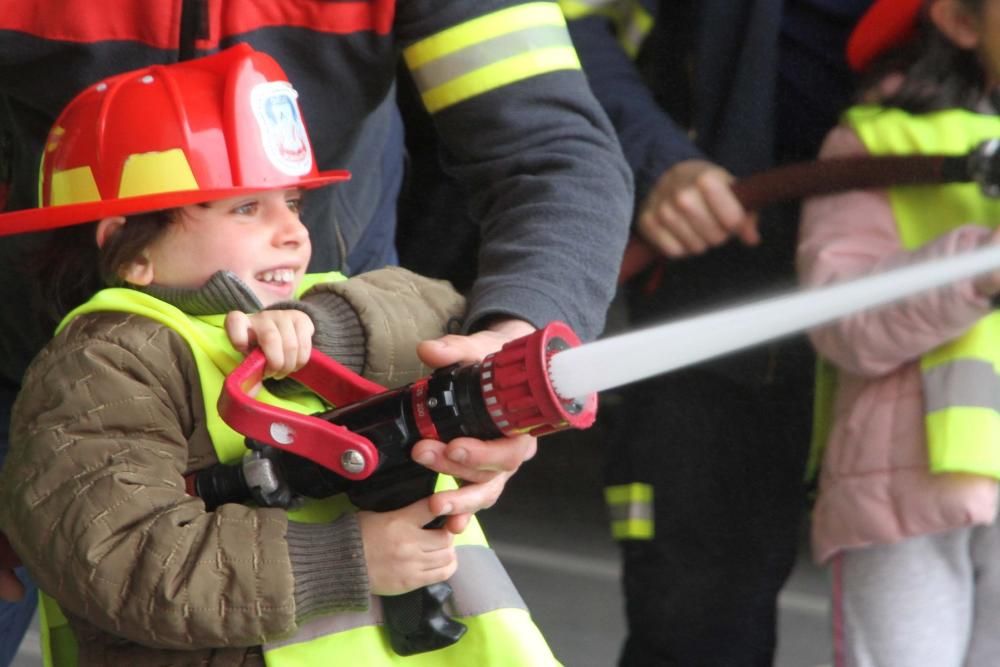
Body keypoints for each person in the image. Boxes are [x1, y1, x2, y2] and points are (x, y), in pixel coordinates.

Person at [0, 3, 633, 661]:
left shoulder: (313, 312)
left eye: (296, 203)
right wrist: (342, 561)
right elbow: (126, 558)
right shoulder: (105, 369)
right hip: (21, 363)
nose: (294, 231)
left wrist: (349, 329)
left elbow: (539, 169)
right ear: (132, 249)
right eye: (248, 206)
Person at [798, 1, 1000, 664]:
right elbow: (842, 323)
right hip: (903, 493)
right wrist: (981, 264)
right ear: (961, 20)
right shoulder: (878, 145)